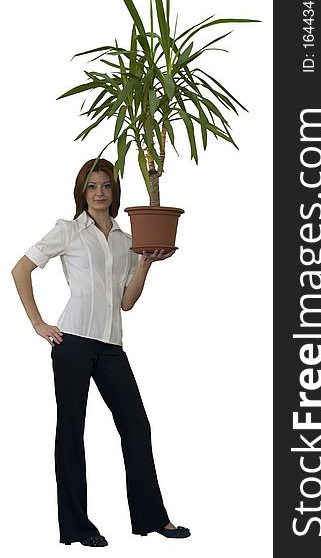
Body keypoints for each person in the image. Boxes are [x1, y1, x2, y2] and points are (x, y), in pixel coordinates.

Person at [11, 158, 191, 546]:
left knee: (136, 427)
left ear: (114, 191)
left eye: (105, 186)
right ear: (82, 192)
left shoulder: (126, 241)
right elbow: (20, 270)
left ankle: (152, 518)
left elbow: (126, 301)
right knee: (72, 432)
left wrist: (145, 264)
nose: (99, 193)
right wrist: (38, 324)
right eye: (92, 187)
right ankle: (77, 528)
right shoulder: (68, 231)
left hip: (111, 346)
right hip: (72, 340)